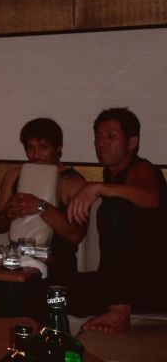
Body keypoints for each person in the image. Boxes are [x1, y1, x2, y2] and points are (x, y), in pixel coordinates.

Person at [67, 107, 167, 332]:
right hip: (116, 284)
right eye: (98, 136)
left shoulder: (143, 169)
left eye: (111, 136)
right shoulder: (113, 175)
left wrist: (97, 188)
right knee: (51, 292)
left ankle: (119, 310)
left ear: (132, 142)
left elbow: (151, 198)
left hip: (153, 285)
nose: (101, 143)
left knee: (116, 207)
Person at [0, 118, 87, 277]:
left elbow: (75, 235)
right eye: (30, 148)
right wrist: (8, 214)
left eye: (43, 148)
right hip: (19, 263)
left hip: (58, 266)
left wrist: (40, 207)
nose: (36, 155)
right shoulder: (14, 175)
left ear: (59, 147)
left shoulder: (73, 183)